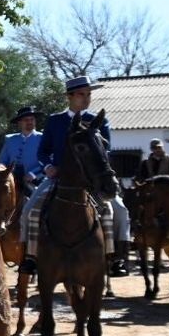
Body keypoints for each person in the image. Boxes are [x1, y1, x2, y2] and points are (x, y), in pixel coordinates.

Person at [20, 75, 128, 274]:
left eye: (88, 95)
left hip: (91, 180)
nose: (86, 99)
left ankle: (115, 258)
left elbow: (107, 151)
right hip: (58, 177)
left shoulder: (98, 122)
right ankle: (31, 257)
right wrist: (48, 167)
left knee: (119, 211)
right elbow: (43, 152)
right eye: (81, 94)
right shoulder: (55, 121)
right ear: (70, 96)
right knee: (29, 211)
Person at [0, 106, 43, 195]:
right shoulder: (10, 140)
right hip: (11, 181)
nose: (29, 122)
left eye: (32, 119)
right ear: (19, 123)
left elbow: (48, 161)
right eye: (26, 120)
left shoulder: (43, 138)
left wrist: (33, 174)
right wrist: (1, 169)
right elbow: (2, 161)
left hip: (36, 180)